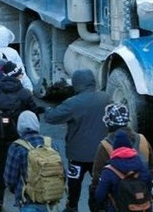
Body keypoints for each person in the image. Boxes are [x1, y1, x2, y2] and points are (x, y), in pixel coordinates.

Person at [45, 69, 111, 212]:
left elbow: (51, 118)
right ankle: (98, 207)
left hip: (77, 155)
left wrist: (48, 110)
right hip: (100, 154)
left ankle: (72, 206)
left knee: (74, 183)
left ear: (76, 84)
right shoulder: (105, 98)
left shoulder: (73, 103)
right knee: (98, 183)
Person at [0, 61, 41, 212]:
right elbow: (34, 116)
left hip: (0, 140)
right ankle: (24, 201)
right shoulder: (24, 94)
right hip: (22, 141)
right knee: (25, 171)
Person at [89, 102, 153, 205]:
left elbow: (96, 178)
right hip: (143, 200)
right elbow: (150, 168)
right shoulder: (142, 139)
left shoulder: (105, 146)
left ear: (108, 123)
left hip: (118, 202)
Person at [3, 110, 66, 212]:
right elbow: (62, 172)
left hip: (28, 199)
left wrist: (17, 191)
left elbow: (10, 178)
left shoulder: (17, 146)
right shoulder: (50, 144)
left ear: (19, 127)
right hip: (50, 197)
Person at [93, 130, 152, 212]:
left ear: (114, 149)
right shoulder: (142, 166)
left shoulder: (108, 171)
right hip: (142, 208)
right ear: (130, 147)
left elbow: (100, 196)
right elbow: (148, 188)